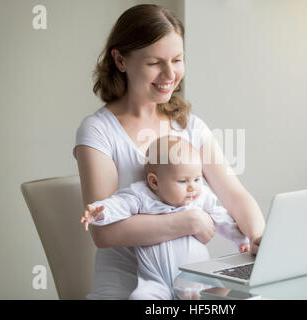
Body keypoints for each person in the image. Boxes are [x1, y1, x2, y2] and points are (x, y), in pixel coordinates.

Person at [73, 4, 265, 300]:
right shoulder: (98, 131)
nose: (170, 73)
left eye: (177, 59)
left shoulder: (189, 126)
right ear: (120, 60)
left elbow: (235, 195)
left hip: (189, 286)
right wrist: (189, 222)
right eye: (154, 62)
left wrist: (258, 237)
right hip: (127, 290)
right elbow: (104, 232)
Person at [79, 136, 250, 299]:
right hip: (154, 280)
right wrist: (99, 212)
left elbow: (221, 217)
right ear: (154, 182)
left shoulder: (200, 198)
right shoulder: (142, 196)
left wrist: (240, 239)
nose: (192, 188)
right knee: (139, 296)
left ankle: (202, 293)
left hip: (193, 275)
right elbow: (119, 204)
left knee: (214, 282)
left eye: (197, 179)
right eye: (183, 181)